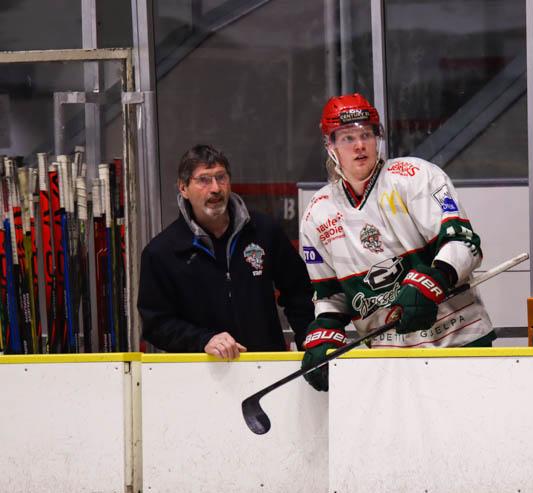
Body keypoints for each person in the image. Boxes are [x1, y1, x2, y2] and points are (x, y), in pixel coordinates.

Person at [299, 93, 495, 390]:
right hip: (388, 359)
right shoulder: (317, 213)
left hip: (459, 339)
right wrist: (325, 330)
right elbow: (330, 295)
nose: (359, 145)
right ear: (330, 146)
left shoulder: (415, 176)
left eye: (366, 135)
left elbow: (464, 243)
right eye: (348, 138)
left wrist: (435, 278)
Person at [137, 144, 314, 358]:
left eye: (221, 177)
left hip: (266, 366)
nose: (215, 188)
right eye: (203, 180)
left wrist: (309, 340)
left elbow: (299, 293)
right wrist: (203, 340)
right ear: (183, 188)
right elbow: (156, 324)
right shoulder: (161, 252)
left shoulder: (264, 231)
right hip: (201, 371)